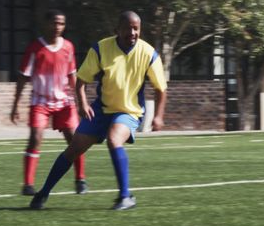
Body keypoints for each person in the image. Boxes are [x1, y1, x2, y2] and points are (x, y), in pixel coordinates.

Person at [29, 11, 166, 211]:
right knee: (74, 148)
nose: (132, 33)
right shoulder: (101, 48)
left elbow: (161, 89)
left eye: (136, 28)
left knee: (114, 139)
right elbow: (81, 81)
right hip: (101, 110)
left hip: (129, 111)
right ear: (117, 30)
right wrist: (83, 104)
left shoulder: (149, 53)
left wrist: (159, 116)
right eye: (127, 28)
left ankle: (125, 197)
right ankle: (43, 192)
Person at [11, 10, 87, 196]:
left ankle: (80, 179)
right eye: (54, 23)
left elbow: (72, 75)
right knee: (35, 138)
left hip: (64, 102)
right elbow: (23, 77)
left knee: (76, 140)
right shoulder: (35, 48)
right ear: (45, 24)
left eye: (61, 23)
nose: (57, 27)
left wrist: (80, 102)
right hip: (40, 101)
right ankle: (28, 185)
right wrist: (15, 105)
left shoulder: (68, 47)